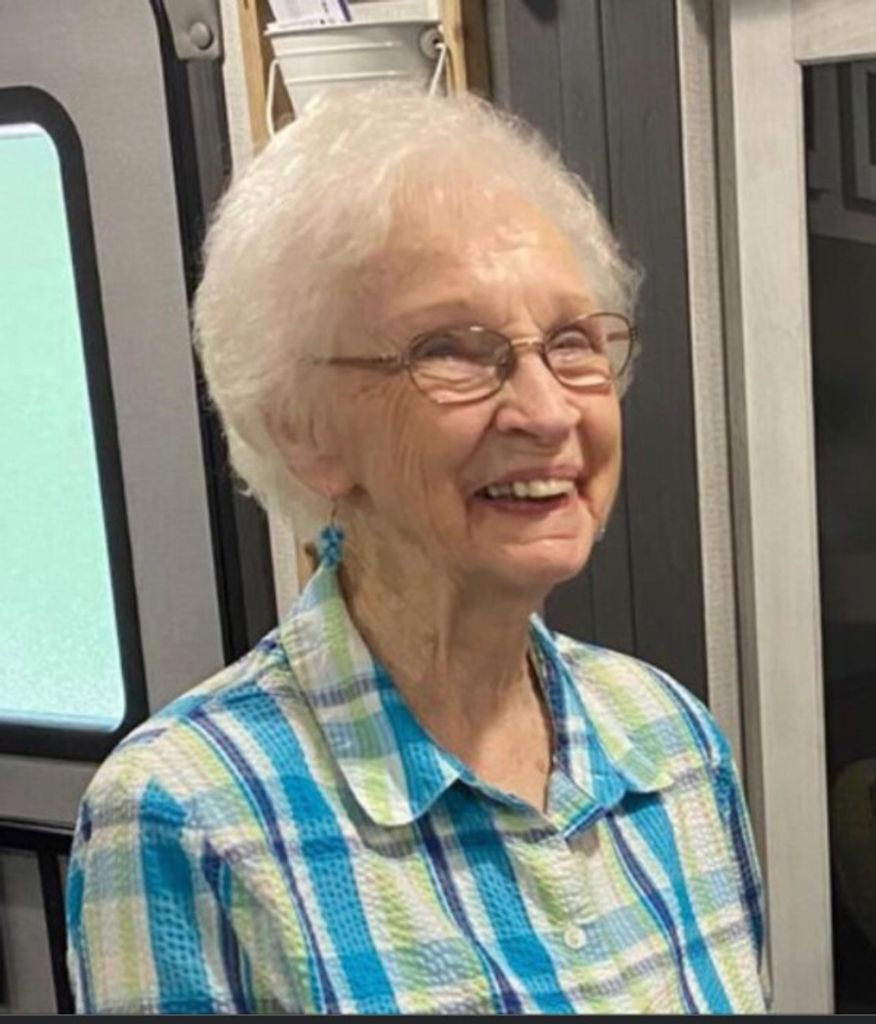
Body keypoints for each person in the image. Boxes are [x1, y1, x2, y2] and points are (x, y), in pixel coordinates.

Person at [65, 84, 770, 1014]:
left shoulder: (671, 741)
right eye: (452, 350)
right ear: (303, 429)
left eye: (571, 342)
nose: (549, 411)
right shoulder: (187, 817)